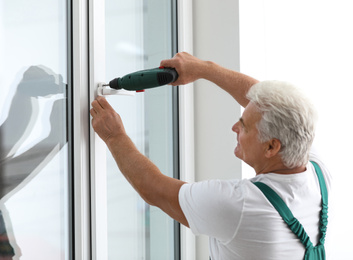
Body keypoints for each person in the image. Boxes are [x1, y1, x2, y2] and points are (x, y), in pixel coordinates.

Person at [90, 52, 332, 260]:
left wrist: (114, 136)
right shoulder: (316, 173)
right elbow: (270, 104)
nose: (234, 128)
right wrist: (204, 69)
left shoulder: (242, 205)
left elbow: (153, 189)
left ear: (271, 147)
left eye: (244, 125)